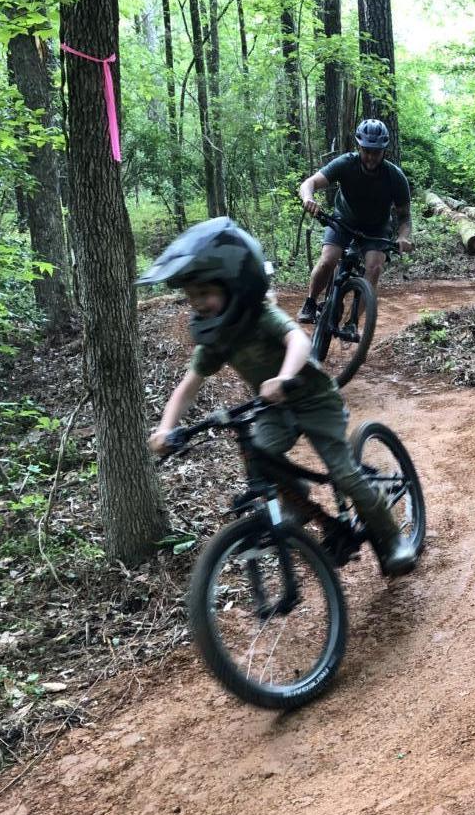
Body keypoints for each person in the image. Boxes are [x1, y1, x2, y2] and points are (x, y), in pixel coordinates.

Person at [136, 216, 416, 577]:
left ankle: (392, 539)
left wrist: (284, 377)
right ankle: (296, 497)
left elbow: (298, 340)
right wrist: (166, 428)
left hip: (313, 398)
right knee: (261, 453)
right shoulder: (217, 337)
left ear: (233, 286)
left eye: (205, 293)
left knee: (345, 475)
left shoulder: (261, 315)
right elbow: (188, 385)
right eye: (192, 297)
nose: (198, 303)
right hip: (270, 408)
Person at [296, 118, 413, 324]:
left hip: (376, 228)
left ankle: (353, 323)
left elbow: (404, 216)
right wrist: (308, 198)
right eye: (366, 150)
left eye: (376, 152)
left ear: (384, 150)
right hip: (343, 220)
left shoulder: (395, 177)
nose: (370, 157)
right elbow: (310, 183)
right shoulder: (346, 163)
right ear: (359, 146)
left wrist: (403, 237)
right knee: (328, 260)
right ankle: (311, 302)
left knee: (375, 267)